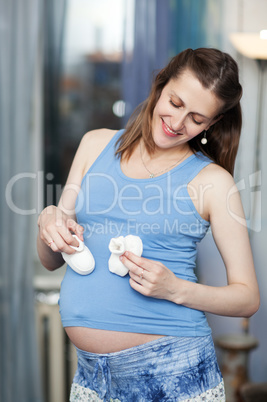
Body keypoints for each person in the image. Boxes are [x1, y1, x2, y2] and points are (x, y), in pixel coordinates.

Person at [37, 48, 260, 401]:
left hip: (174, 373)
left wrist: (176, 289)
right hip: (92, 377)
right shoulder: (94, 145)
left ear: (212, 124)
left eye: (197, 118)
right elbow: (50, 260)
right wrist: (48, 220)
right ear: (160, 85)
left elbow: (247, 298)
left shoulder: (213, 182)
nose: (177, 122)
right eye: (174, 101)